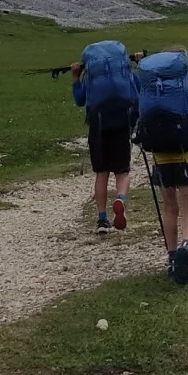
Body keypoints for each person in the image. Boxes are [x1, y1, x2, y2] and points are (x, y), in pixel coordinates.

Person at [134, 49, 188, 283]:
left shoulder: (149, 95)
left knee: (170, 209)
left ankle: (171, 258)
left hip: (161, 161)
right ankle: (185, 246)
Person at [72, 40, 137, 233]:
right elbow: (137, 90)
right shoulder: (125, 73)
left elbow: (80, 100)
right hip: (121, 123)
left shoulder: (91, 77)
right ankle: (121, 200)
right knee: (122, 171)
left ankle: (102, 219)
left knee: (102, 173)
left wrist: (76, 78)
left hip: (98, 126)